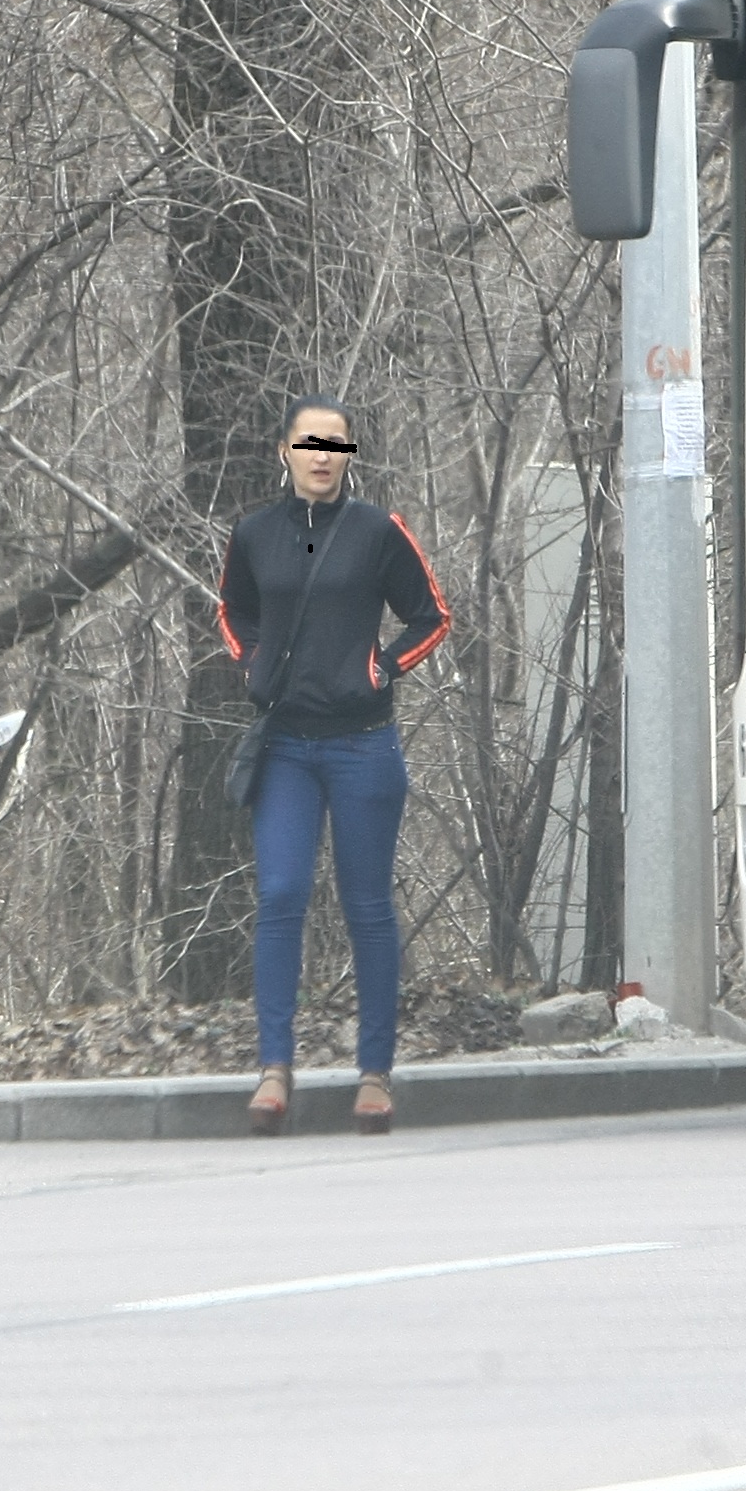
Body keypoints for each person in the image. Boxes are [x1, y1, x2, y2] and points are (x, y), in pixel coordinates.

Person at [218, 395, 451, 1136]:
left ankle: (374, 1074)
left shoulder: (379, 532)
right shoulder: (254, 534)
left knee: (367, 907)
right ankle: (274, 1071)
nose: (322, 456)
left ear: (350, 455)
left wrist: (383, 667)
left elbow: (433, 615)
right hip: (285, 745)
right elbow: (234, 613)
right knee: (282, 893)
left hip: (363, 745)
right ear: (283, 451)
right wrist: (250, 665)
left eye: (337, 445)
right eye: (308, 443)